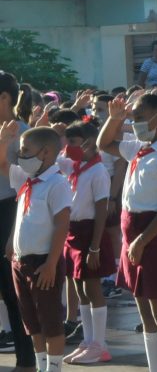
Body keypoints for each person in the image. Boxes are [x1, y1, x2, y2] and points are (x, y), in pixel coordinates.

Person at [97, 90, 157, 372]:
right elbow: (104, 142)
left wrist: (141, 241)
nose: (133, 123)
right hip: (134, 235)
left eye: (138, 117)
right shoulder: (140, 147)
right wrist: (113, 118)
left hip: (155, 236)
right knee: (145, 313)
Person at [0, 125, 71, 372]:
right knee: (32, 323)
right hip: (21, 261)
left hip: (43, 261)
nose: (20, 156)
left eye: (25, 150)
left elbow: (62, 224)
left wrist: (51, 263)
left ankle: (54, 368)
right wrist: (3, 140)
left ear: (46, 152)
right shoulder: (27, 180)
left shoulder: (56, 183)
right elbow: (1, 165)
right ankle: (42, 367)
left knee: (50, 323)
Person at [58, 120, 115, 365]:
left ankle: (100, 344)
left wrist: (95, 247)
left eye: (72, 142)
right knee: (80, 289)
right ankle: (88, 339)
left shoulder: (97, 171)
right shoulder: (75, 166)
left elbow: (101, 210)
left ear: (89, 143)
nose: (68, 147)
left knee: (92, 288)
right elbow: (53, 156)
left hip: (91, 232)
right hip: (73, 232)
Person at [0, 71, 36, 372]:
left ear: (5, 98)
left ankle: (26, 360)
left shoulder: (24, 134)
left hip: (10, 211)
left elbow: (27, 183)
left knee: (13, 293)